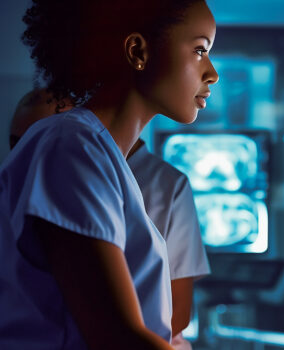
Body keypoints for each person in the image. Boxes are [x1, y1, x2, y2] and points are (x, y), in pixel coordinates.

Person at [0, 0, 218, 349]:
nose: (212, 73)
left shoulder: (99, 155)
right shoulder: (69, 145)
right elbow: (117, 338)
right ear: (137, 51)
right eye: (199, 50)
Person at [9, 88, 210, 349]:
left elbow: (172, 316)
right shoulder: (54, 157)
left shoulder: (162, 184)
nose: (28, 154)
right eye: (19, 144)